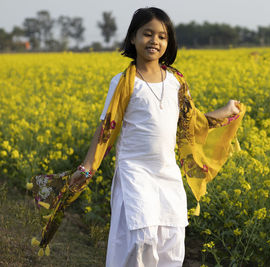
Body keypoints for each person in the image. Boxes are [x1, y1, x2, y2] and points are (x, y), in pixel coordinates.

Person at [67, 7, 244, 267]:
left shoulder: (176, 82)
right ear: (132, 38)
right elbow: (105, 129)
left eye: (162, 36)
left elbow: (192, 122)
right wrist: (86, 168)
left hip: (167, 172)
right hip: (134, 171)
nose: (155, 41)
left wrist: (227, 111)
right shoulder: (123, 83)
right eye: (147, 34)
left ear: (168, 42)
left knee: (172, 239)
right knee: (140, 238)